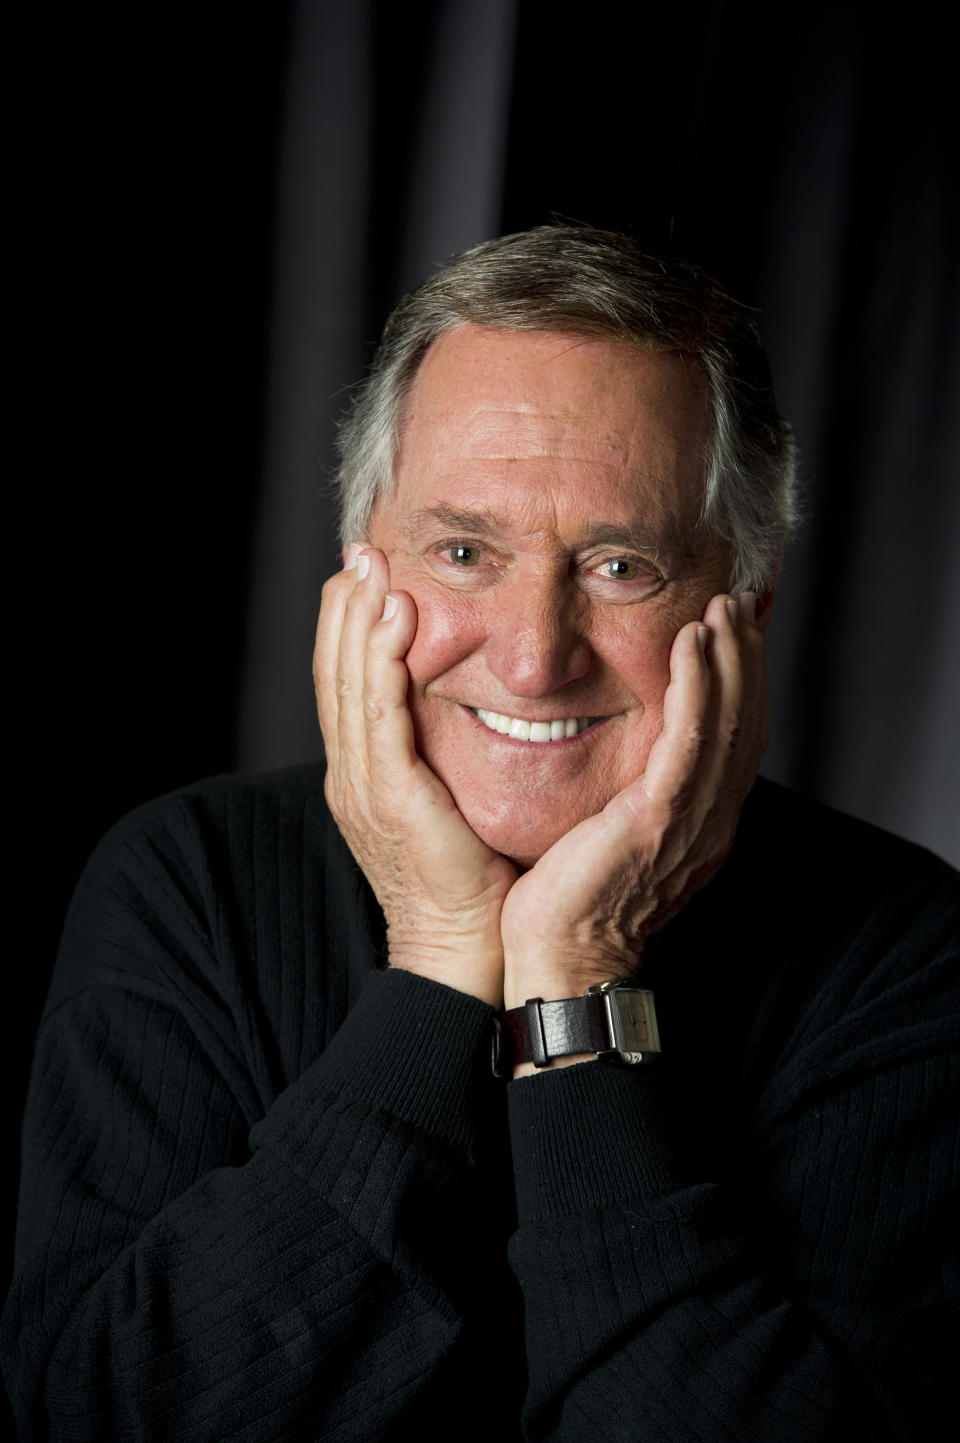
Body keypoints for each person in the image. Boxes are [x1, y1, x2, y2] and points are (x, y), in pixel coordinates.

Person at [3, 227, 957, 1441]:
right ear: (361, 583)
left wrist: (578, 977)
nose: (531, 655)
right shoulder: (186, 884)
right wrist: (445, 955)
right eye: (464, 553)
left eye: (619, 566)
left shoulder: (908, 955)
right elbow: (114, 1417)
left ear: (747, 607)